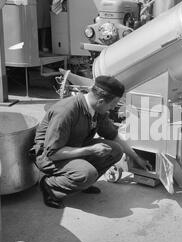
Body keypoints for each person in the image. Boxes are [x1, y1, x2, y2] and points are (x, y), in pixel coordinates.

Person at [31, 76, 152, 209]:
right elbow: (52, 153)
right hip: (49, 156)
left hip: (74, 147)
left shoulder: (97, 110)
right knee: (87, 173)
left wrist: (136, 157)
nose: (112, 109)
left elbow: (114, 135)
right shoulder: (66, 111)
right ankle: (50, 185)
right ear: (100, 101)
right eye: (112, 105)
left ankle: (83, 182)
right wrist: (90, 150)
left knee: (116, 150)